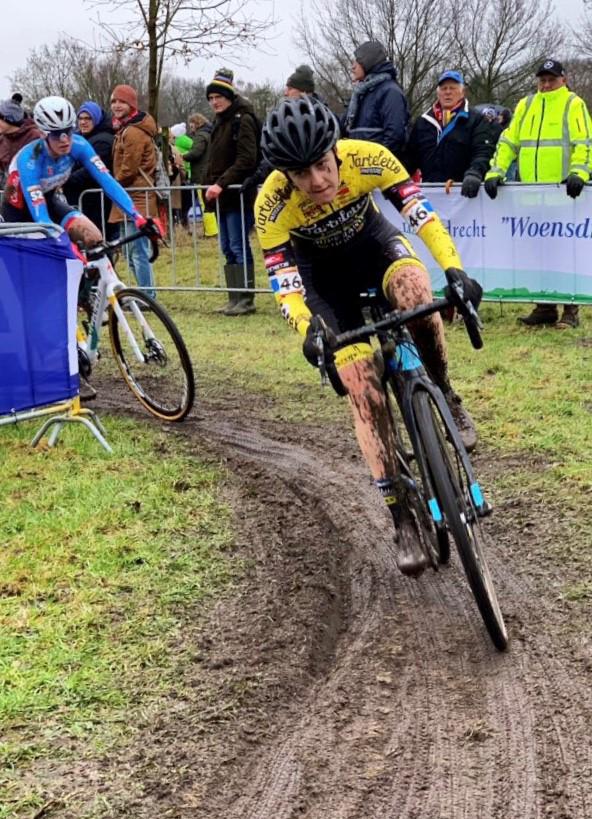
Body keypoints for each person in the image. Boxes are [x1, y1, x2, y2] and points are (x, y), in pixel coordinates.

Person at [255, 97, 482, 576]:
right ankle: (400, 515)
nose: (317, 182)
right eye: (301, 175)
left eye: (321, 164)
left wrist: (454, 270)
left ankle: (444, 390)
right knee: (359, 379)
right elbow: (286, 283)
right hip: (324, 284)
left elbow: (421, 216)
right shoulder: (271, 202)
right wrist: (307, 331)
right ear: (284, 175)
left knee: (418, 291)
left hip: (375, 248)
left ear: (335, 150)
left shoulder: (368, 158)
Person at [485, 59, 592, 328]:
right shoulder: (526, 104)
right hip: (532, 195)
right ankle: (544, 305)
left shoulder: (573, 104)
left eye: (551, 80)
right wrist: (496, 171)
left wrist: (580, 172)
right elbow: (509, 141)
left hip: (565, 194)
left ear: (563, 80)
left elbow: (585, 142)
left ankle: (571, 309)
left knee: (567, 253)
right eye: (542, 80)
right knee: (537, 252)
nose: (545, 84)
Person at [1, 95, 158, 251]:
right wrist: (66, 246)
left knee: (94, 238)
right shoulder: (30, 159)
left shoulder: (79, 145)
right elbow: (41, 217)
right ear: (43, 134)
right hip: (18, 210)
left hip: (49, 201)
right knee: (47, 255)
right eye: (56, 134)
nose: (65, 140)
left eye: (68, 131)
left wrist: (137, 217)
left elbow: (108, 182)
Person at [205, 68, 259, 316]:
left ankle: (246, 299)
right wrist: (208, 184)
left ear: (229, 96)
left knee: (238, 246)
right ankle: (234, 297)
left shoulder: (243, 119)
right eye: (211, 98)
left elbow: (247, 159)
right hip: (222, 197)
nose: (215, 102)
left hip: (237, 194)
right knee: (227, 247)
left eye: (219, 97)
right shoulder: (218, 123)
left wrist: (222, 183)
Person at [403, 70, 495, 196]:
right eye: (444, 88)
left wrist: (475, 172)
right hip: (430, 193)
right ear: (438, 93)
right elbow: (410, 158)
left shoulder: (476, 119)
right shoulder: (423, 121)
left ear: (462, 92)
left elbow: (483, 152)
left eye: (453, 88)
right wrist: (393, 178)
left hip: (464, 193)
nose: (447, 92)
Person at [108, 84, 160, 299]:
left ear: (131, 105)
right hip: (128, 197)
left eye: (121, 101)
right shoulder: (124, 129)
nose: (117, 105)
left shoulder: (134, 132)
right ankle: (143, 294)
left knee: (138, 251)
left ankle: (148, 296)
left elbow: (129, 168)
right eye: (113, 101)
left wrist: (109, 184)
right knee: (131, 252)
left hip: (137, 197)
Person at [341, 40, 410, 156]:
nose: (353, 67)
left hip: (376, 170)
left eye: (357, 61)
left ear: (368, 62)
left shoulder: (390, 92)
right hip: (357, 167)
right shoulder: (360, 94)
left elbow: (394, 136)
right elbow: (344, 128)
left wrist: (375, 165)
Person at [63, 101, 117, 239]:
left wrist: (64, 179)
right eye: (80, 118)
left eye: (88, 119)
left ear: (96, 119)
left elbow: (91, 171)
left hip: (96, 203)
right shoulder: (78, 139)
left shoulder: (103, 141)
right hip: (83, 200)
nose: (83, 122)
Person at [0, 98, 41, 188]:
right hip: (8, 192)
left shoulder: (35, 137)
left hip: (33, 190)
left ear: (8, 119)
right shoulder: (2, 139)